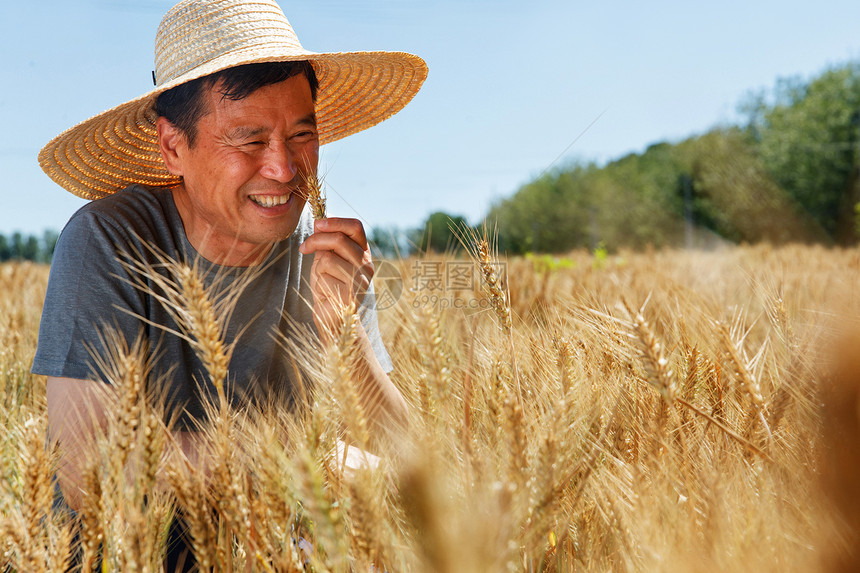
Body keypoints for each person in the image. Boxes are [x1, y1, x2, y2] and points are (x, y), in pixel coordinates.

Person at [32, 0, 427, 568]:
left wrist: (346, 337)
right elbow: (85, 473)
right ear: (174, 148)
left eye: (302, 134)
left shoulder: (329, 251)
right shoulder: (108, 239)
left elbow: (413, 465)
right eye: (248, 140)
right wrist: (303, 461)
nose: (285, 169)